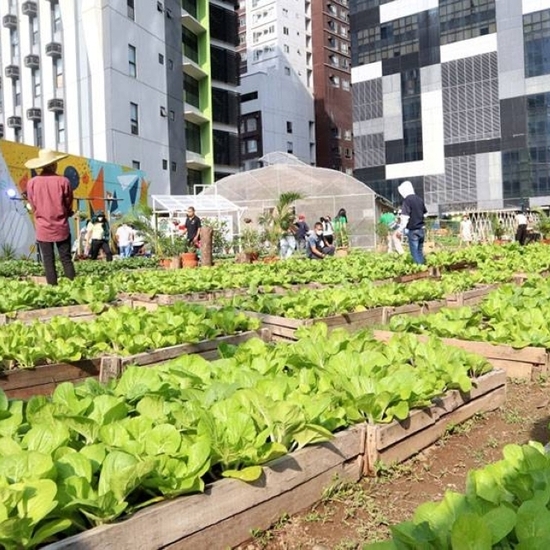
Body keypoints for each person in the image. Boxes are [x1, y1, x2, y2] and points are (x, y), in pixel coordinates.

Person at [25, 148, 76, 286]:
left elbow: (32, 204)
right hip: (61, 226)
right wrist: (67, 212)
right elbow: (68, 203)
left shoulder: (32, 183)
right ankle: (73, 287)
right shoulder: (63, 181)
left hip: (43, 227)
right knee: (66, 259)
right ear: (54, 164)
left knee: (48, 260)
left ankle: (53, 289)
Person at [396, 180, 427, 265]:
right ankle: (423, 268)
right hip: (421, 229)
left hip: (413, 230)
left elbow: (405, 217)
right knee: (420, 251)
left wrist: (400, 230)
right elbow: (425, 213)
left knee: (414, 253)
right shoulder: (419, 199)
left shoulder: (407, 200)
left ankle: (418, 269)